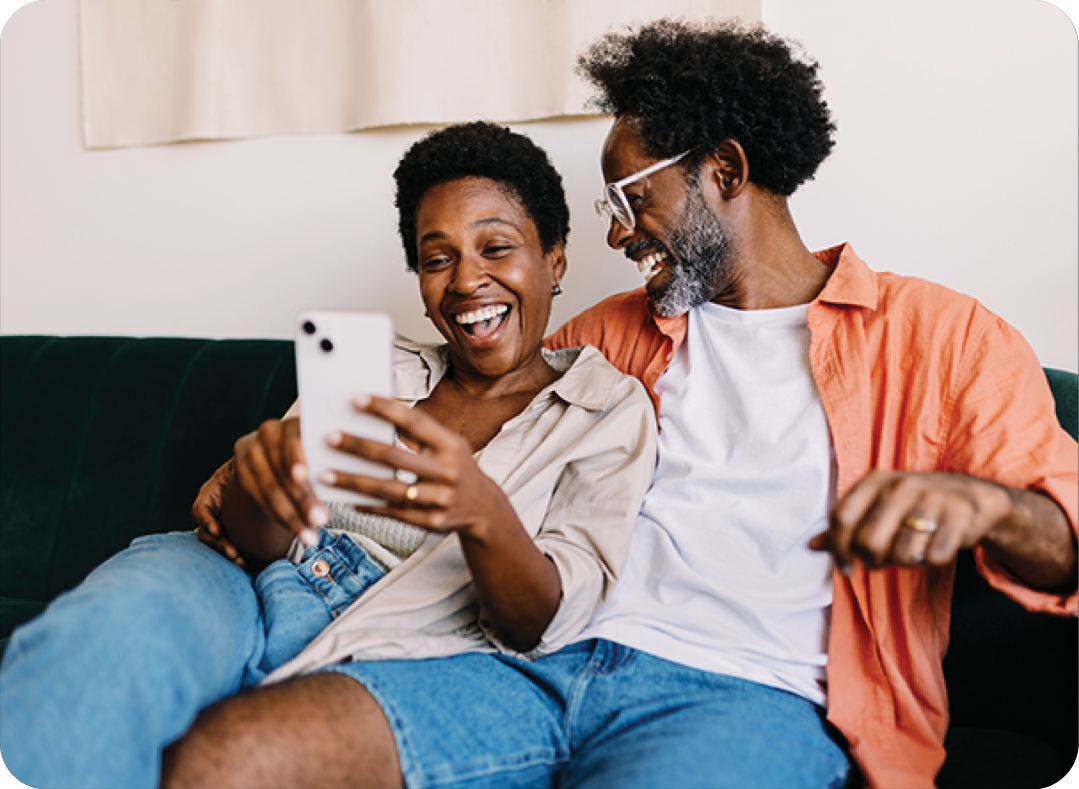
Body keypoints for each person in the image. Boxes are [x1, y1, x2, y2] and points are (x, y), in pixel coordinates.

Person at [164, 19, 1078, 789]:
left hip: (748, 694)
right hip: (521, 661)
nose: (612, 231)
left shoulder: (945, 337)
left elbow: (1065, 538)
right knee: (225, 755)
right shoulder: (603, 336)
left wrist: (985, 506)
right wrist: (270, 461)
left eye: (629, 196)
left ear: (724, 168)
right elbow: (454, 398)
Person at [0, 122, 657, 789]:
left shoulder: (605, 409)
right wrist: (260, 486)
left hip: (428, 645)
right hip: (249, 589)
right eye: (437, 258)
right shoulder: (371, 368)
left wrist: (481, 512)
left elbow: (541, 622)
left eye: (495, 247)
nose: (465, 280)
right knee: (90, 655)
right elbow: (258, 544)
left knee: (228, 759)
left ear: (554, 257)